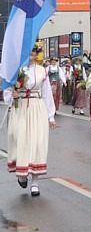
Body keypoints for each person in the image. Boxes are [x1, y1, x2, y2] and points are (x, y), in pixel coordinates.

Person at [4, 46, 57, 197]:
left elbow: (46, 94)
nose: (31, 52)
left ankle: (35, 182)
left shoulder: (42, 71)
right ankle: (21, 173)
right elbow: (6, 91)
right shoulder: (15, 70)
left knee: (37, 143)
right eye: (29, 49)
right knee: (19, 140)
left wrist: (50, 116)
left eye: (34, 50)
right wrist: (11, 95)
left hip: (36, 107)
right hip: (19, 108)